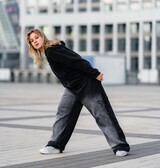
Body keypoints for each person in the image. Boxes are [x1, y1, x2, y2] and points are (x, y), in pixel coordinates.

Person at [26, 28, 130, 157]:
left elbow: (76, 61)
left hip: (87, 84)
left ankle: (120, 146)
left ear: (42, 37)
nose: (35, 41)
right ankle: (55, 145)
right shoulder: (49, 52)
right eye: (31, 41)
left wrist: (94, 73)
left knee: (102, 114)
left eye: (36, 37)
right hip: (72, 88)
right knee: (63, 114)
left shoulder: (53, 50)